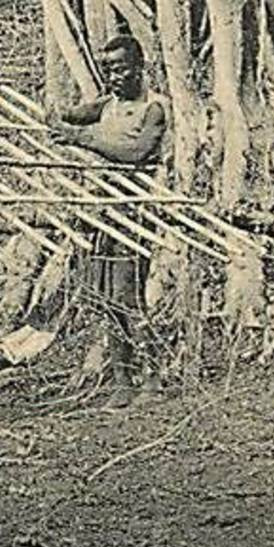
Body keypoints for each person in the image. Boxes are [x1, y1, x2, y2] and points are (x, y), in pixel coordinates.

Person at [50, 33, 167, 406]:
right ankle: (122, 381)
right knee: (104, 298)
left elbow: (135, 151)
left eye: (121, 68)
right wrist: (53, 112)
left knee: (128, 295)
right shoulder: (108, 105)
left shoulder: (153, 108)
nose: (115, 76)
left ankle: (152, 379)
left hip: (133, 213)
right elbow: (69, 114)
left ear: (139, 68)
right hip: (102, 211)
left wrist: (81, 138)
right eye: (108, 70)